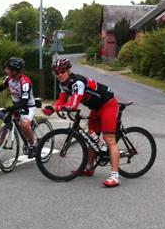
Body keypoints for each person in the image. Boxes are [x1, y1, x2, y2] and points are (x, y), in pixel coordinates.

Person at [43, 57, 121, 187]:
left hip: (108, 105)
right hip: (96, 108)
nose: (60, 75)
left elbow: (73, 105)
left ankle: (115, 176)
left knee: (109, 139)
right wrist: (52, 108)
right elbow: (62, 100)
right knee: (91, 138)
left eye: (62, 71)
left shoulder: (77, 82)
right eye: (56, 72)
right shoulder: (63, 84)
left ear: (69, 70)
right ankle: (89, 168)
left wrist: (56, 108)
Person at [0, 57, 37, 160]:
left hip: (27, 107)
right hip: (15, 106)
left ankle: (33, 145)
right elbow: (0, 87)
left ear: (14, 71)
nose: (5, 70)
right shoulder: (9, 78)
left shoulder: (25, 82)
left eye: (7, 69)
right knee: (3, 130)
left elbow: (24, 102)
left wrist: (8, 108)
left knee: (24, 124)